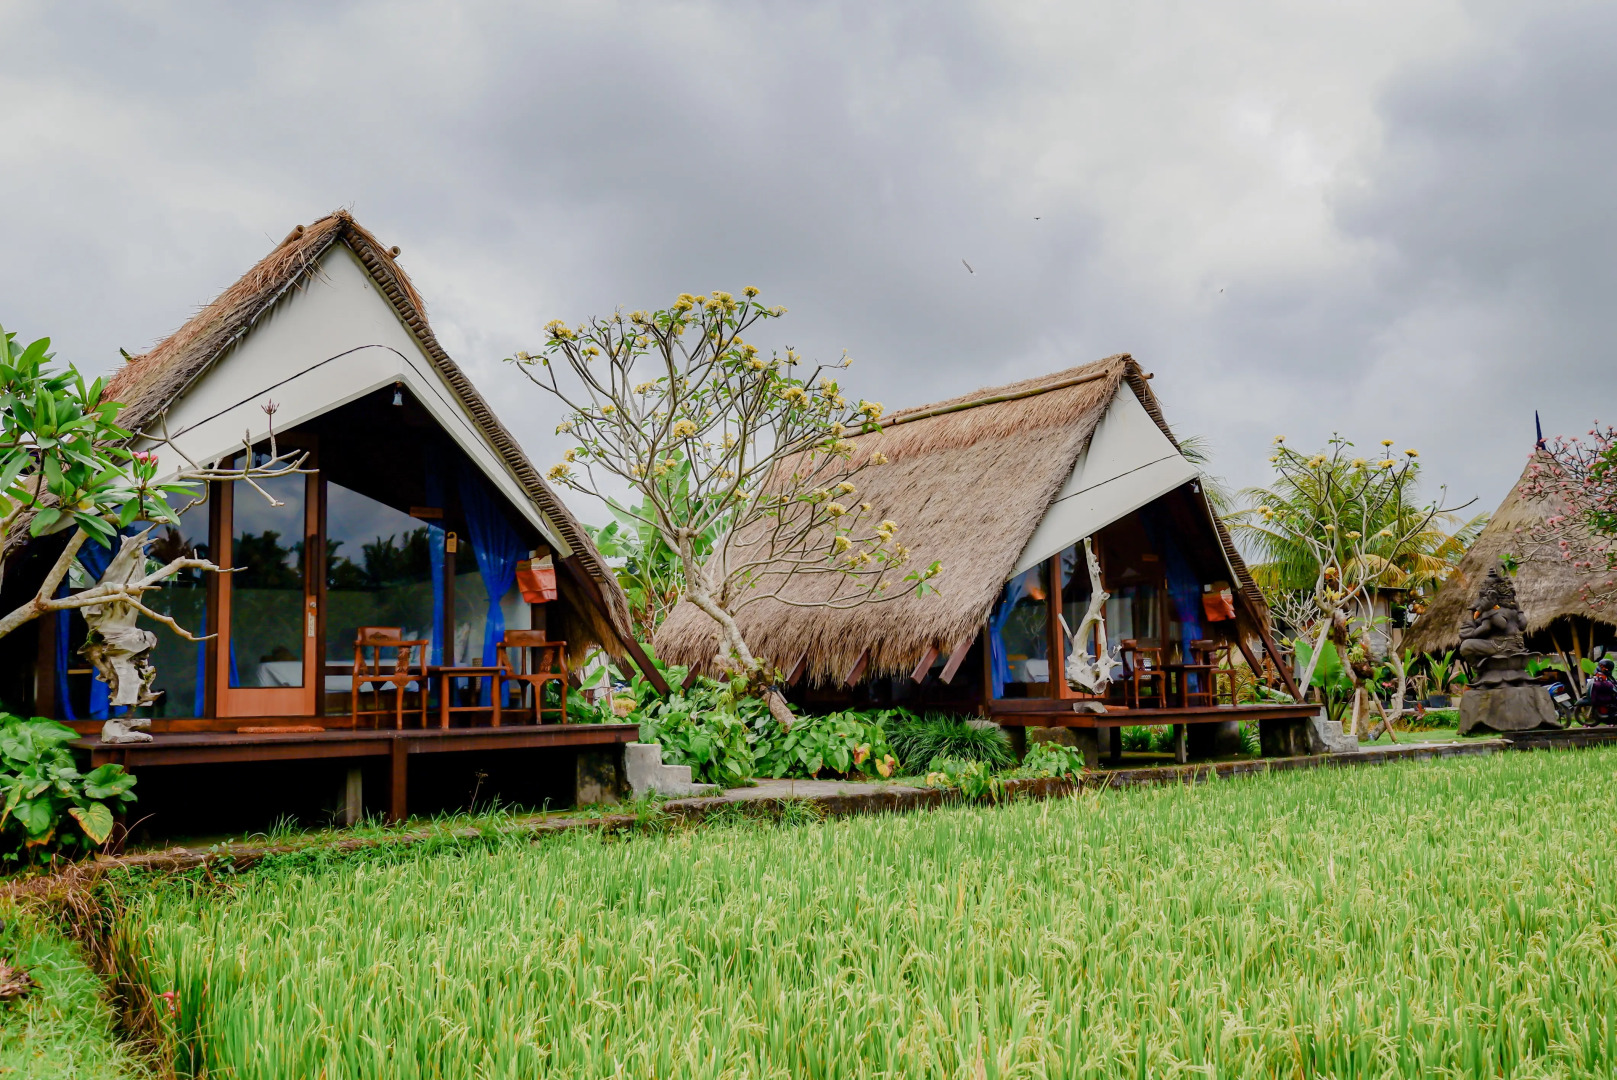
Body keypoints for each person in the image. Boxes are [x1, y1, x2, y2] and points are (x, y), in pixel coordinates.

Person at [1582, 658, 1617, 725]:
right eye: (1602, 666)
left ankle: (1611, 716)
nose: (1603, 668)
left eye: (1603, 667)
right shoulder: (1600, 673)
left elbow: (1607, 682)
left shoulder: (1605, 673)